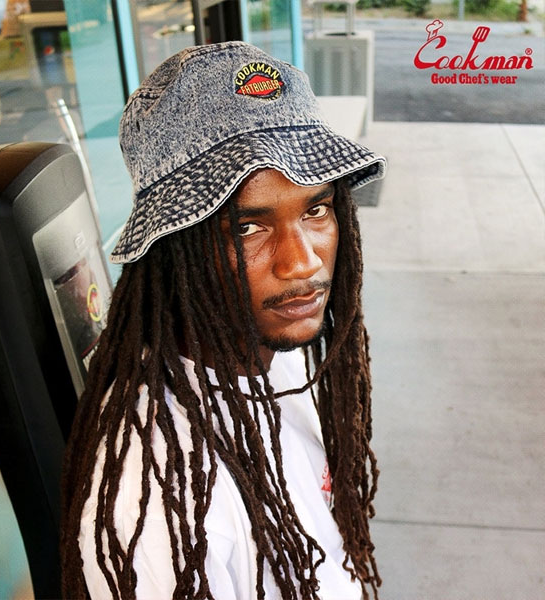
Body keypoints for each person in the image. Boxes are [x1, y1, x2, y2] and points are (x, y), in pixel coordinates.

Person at [60, 41, 386, 600]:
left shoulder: (271, 351)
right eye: (246, 227)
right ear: (174, 251)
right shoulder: (158, 505)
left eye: (316, 210)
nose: (302, 262)